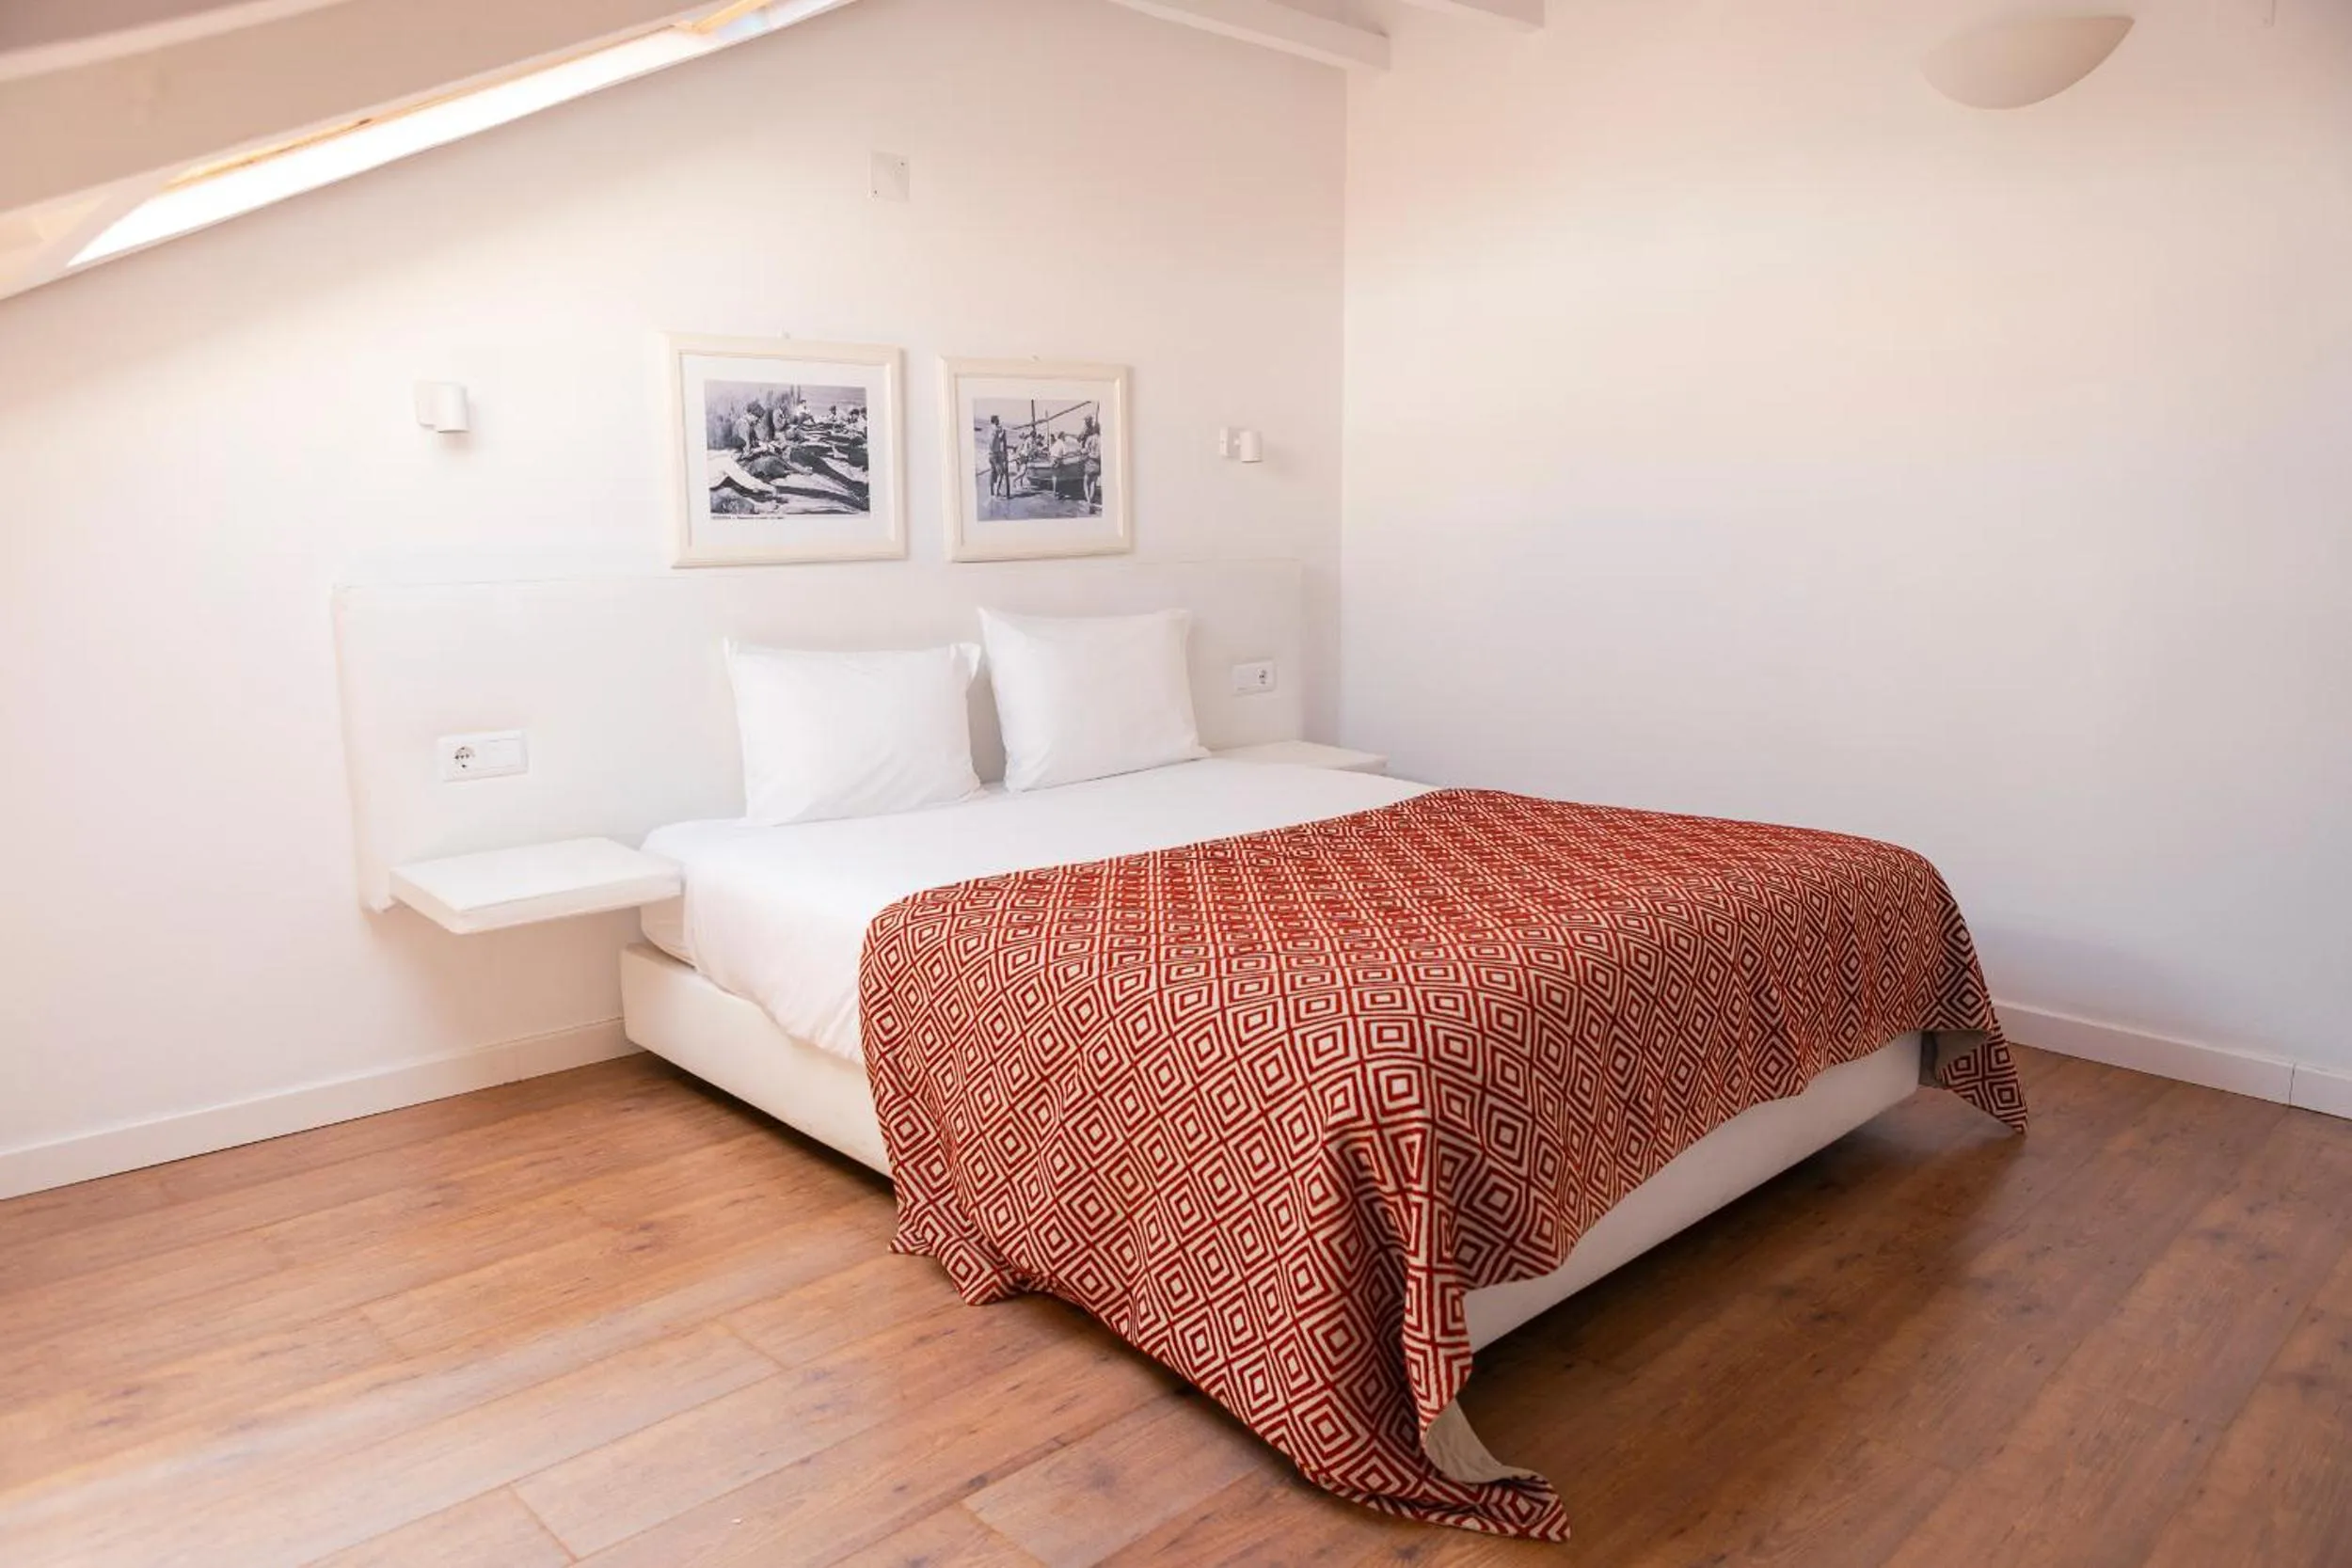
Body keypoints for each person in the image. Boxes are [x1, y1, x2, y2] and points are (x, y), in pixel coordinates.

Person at [987, 415, 1011, 499]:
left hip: (990, 454)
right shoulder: (995, 428)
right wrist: (1003, 430)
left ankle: (992, 492)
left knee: (992, 473)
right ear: (995, 421)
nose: (999, 421)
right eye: (998, 420)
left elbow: (998, 439)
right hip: (995, 455)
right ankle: (996, 493)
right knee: (1001, 473)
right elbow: (1000, 431)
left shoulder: (990, 429)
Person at [1082, 416, 1103, 508]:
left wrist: (1083, 451)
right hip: (1098, 463)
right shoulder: (1102, 439)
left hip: (1090, 462)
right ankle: (1091, 498)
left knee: (1086, 482)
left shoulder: (1090, 438)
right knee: (1093, 483)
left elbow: (1085, 450)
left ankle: (1088, 501)